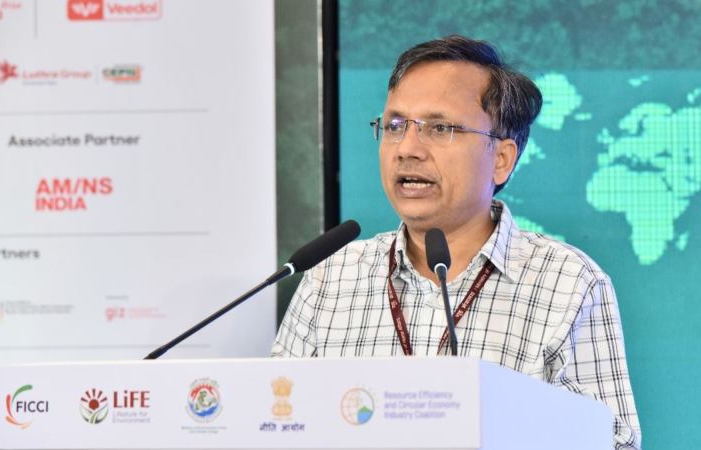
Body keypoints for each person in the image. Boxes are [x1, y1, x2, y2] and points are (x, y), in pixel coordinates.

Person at [272, 35, 641, 449]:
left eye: (440, 128)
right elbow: (274, 426)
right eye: (395, 126)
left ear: (501, 158)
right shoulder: (330, 279)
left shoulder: (569, 283)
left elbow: (614, 442)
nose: (407, 149)